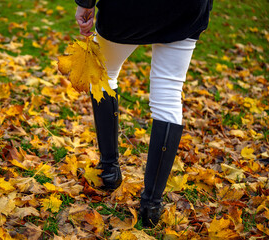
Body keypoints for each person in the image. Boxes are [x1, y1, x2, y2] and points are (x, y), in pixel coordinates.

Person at [74, 0, 213, 228]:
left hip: (129, 9)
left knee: (102, 74)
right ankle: (151, 205)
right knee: (168, 94)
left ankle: (109, 169)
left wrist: (85, 3)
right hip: (186, 8)